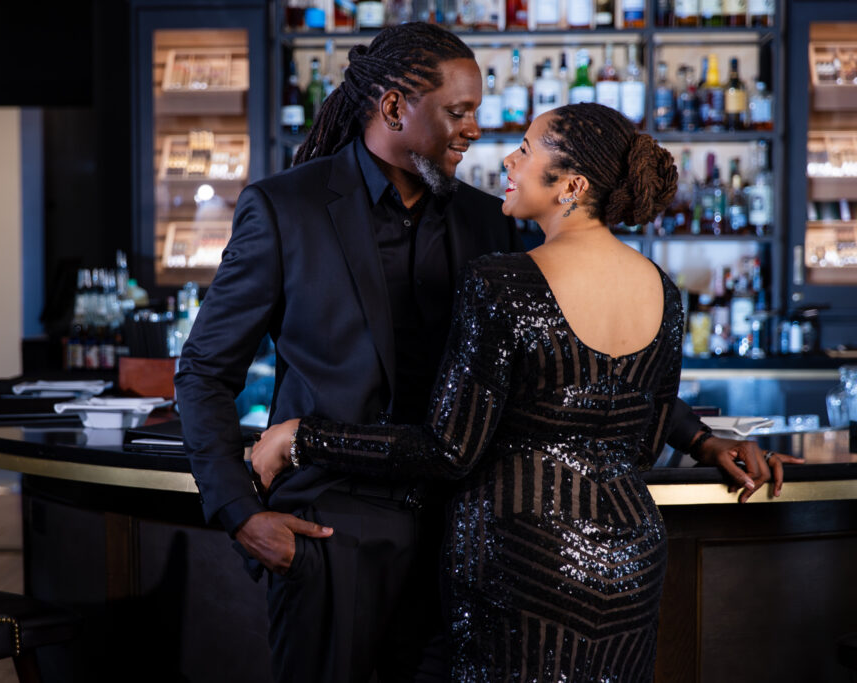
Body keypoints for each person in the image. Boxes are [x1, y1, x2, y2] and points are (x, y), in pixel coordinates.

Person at [175, 23, 796, 683]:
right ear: (393, 108)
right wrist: (239, 514)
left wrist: (700, 438)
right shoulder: (283, 207)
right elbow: (204, 371)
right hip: (333, 535)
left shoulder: (490, 219)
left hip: (470, 551)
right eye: (459, 112)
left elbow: (568, 367)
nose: (476, 130)